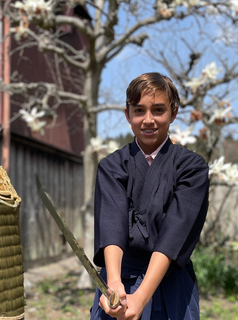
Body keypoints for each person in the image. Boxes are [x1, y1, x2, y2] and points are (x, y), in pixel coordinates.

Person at [90, 72, 209, 320]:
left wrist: (142, 297)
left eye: (158, 110)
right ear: (127, 114)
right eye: (139, 110)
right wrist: (113, 284)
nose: (148, 120)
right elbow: (111, 224)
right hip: (119, 282)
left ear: (173, 113)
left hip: (171, 283)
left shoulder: (192, 168)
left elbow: (175, 232)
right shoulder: (112, 166)